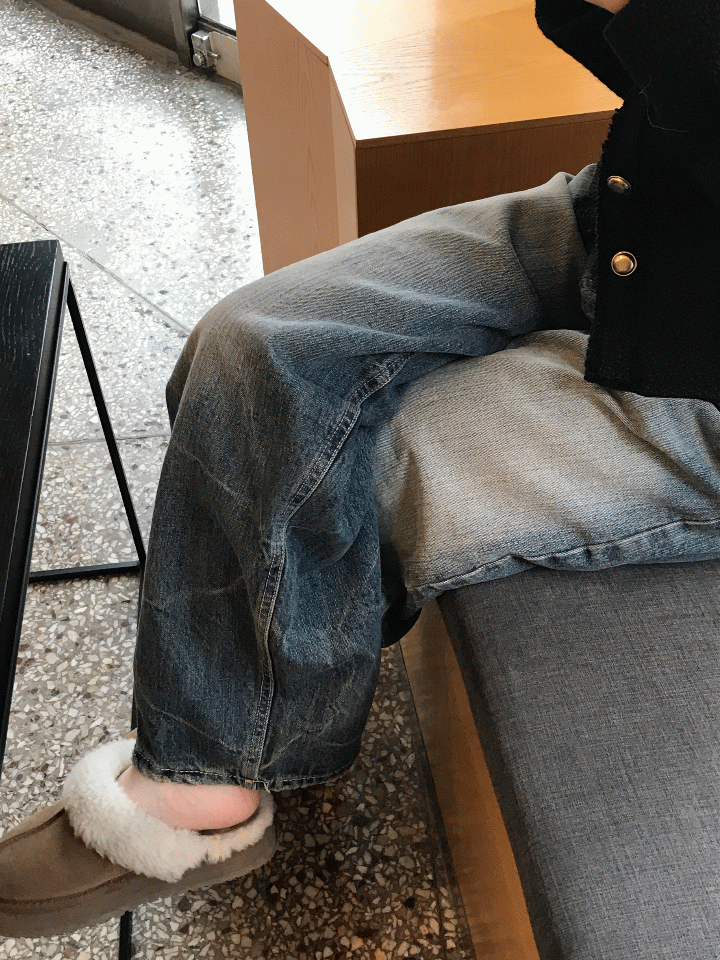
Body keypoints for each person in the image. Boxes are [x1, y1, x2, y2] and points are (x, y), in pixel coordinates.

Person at [2, 0, 720, 939]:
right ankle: (242, 717)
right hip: (634, 221)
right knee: (251, 347)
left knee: (358, 464)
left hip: (702, 386)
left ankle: (204, 780)